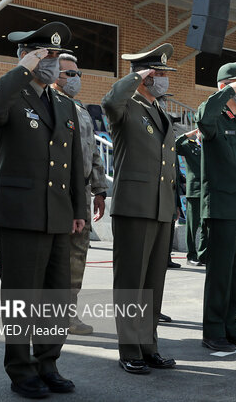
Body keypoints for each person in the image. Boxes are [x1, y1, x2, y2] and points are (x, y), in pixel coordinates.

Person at [0, 22, 86, 398]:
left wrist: (79, 210)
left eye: (55, 56)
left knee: (56, 295)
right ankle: (22, 371)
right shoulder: (4, 92)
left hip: (58, 214)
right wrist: (24, 69)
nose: (51, 62)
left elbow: (74, 163)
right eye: (44, 54)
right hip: (19, 214)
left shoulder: (64, 104)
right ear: (24, 56)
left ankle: (48, 363)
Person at [101, 43, 177, 374]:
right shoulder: (127, 106)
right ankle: (129, 349)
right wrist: (134, 78)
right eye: (158, 74)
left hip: (161, 207)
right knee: (132, 282)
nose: (163, 80)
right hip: (134, 207)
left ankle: (149, 346)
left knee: (152, 284)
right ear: (144, 76)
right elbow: (109, 101)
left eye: (163, 75)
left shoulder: (159, 110)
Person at [195, 62, 236, 352]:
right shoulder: (213, 116)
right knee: (221, 274)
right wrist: (224, 94)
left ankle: (231, 325)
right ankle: (213, 330)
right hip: (223, 210)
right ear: (225, 86)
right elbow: (203, 117)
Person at [52, 53, 108, 336]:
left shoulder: (81, 109)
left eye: (78, 73)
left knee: (77, 256)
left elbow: (93, 152)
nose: (75, 79)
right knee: (57, 258)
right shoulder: (49, 105)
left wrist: (99, 189)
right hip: (59, 194)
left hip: (83, 193)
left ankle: (69, 314)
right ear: (54, 75)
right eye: (69, 74)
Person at [175, 128, 207, 266]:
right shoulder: (190, 145)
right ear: (198, 132)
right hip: (195, 191)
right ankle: (191, 255)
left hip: (209, 192)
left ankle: (203, 255)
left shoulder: (211, 147)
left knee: (206, 226)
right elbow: (174, 146)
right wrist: (187, 135)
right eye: (201, 131)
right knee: (192, 226)